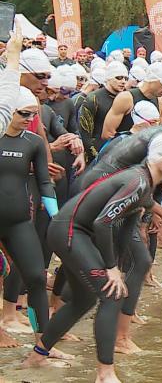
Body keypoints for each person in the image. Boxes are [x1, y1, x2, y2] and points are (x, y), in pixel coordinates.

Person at [24, 134, 162, 383]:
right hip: (69, 231)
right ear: (158, 158)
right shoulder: (137, 181)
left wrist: (116, 265)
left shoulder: (144, 183)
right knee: (112, 294)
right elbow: (104, 222)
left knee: (84, 299)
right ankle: (105, 373)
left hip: (74, 231)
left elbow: (124, 226)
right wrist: (110, 268)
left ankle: (38, 355)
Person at [0, 88, 61, 354]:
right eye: (23, 113)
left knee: (36, 277)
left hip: (17, 220)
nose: (29, 119)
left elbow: (45, 183)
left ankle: (43, 344)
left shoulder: (33, 142)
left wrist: (57, 216)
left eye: (33, 115)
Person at [101, 62, 162, 141]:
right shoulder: (126, 98)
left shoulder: (161, 102)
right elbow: (107, 134)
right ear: (151, 79)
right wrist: (131, 135)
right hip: (125, 151)